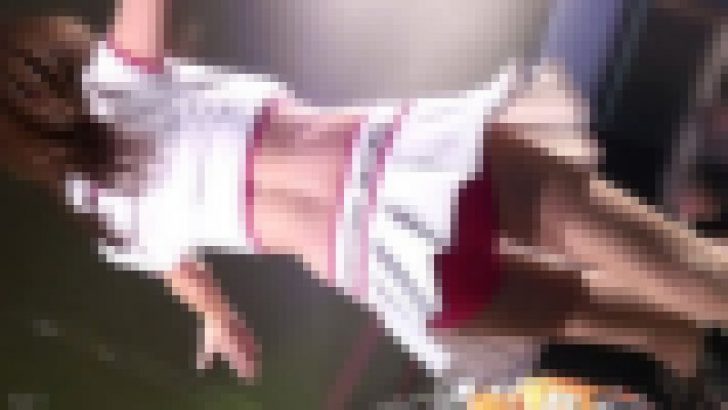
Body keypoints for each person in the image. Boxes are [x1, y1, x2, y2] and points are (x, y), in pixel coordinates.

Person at [4, 1, 728, 405]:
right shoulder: (113, 80)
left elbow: (180, 272)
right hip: (419, 171)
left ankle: (702, 351)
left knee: (664, 332)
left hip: (399, 276)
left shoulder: (108, 217)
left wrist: (219, 318)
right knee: (690, 270)